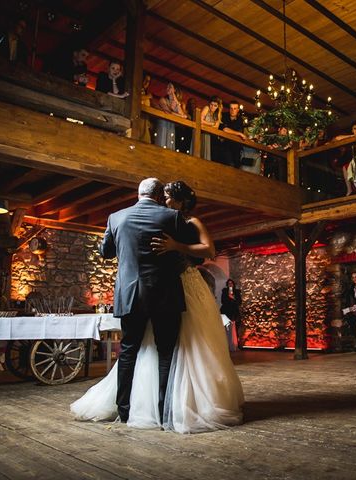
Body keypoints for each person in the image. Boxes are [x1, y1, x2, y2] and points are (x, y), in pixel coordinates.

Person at [71, 180, 244, 433]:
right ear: (157, 195)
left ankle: (124, 410)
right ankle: (164, 411)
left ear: (138, 193)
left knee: (128, 351)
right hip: (165, 294)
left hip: (130, 294)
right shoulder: (171, 218)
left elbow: (105, 252)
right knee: (166, 352)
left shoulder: (116, 217)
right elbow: (192, 253)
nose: (167, 199)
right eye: (164, 195)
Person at [154, 82, 188, 150]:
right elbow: (168, 112)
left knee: (170, 146)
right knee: (161, 143)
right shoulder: (163, 100)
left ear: (174, 89)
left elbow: (183, 115)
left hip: (171, 127)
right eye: (167, 87)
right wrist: (180, 116)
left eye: (170, 87)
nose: (167, 88)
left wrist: (175, 99)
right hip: (163, 124)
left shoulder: (177, 103)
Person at [219, 100, 247, 168]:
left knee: (236, 167)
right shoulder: (224, 116)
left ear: (238, 110)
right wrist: (238, 133)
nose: (232, 110)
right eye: (231, 108)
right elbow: (225, 129)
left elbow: (242, 134)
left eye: (235, 108)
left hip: (236, 148)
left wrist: (240, 134)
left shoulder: (240, 120)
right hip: (224, 146)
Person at [196, 96, 222, 160]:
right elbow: (200, 120)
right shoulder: (206, 108)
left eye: (215, 105)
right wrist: (212, 124)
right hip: (202, 133)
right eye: (211, 104)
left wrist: (219, 111)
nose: (212, 107)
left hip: (211, 136)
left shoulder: (218, 113)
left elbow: (216, 127)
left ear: (218, 106)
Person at [221, 279, 244, 349]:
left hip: (234, 312)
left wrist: (233, 298)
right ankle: (226, 344)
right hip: (226, 311)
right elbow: (223, 301)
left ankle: (234, 344)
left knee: (234, 328)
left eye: (231, 283)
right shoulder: (225, 291)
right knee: (226, 328)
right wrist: (229, 298)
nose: (230, 284)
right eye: (229, 283)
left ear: (233, 284)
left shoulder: (236, 292)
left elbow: (239, 302)